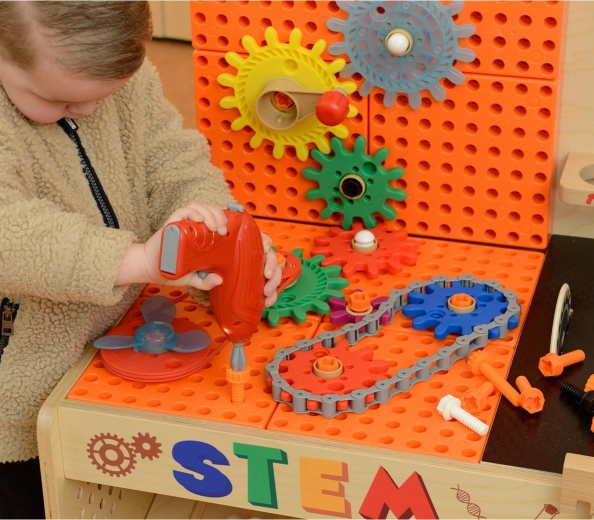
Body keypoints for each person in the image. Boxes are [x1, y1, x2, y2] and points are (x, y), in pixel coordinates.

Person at [0, 2, 281, 518]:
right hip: (19, 396)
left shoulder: (121, 78)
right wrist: (136, 261)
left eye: (106, 94)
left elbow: (173, 161)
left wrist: (214, 231)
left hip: (109, 349)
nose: (88, 110)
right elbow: (10, 233)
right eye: (58, 99)